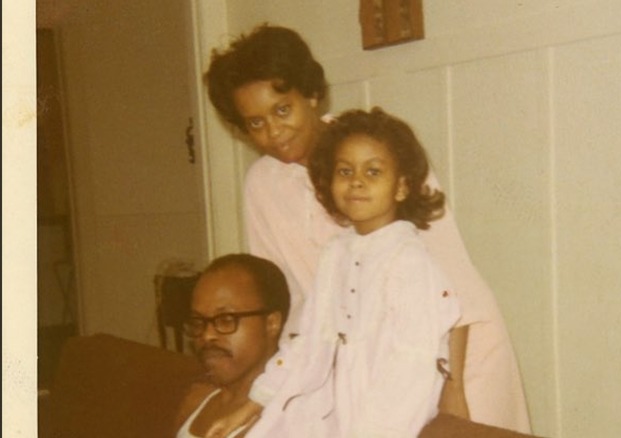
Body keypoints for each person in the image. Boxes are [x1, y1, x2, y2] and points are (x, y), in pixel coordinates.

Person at [205, 23, 531, 433]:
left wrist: (454, 385)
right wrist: (264, 394)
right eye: (254, 123)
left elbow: (452, 277)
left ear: (310, 94)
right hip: (360, 366)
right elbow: (286, 302)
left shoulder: (380, 154)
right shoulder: (262, 186)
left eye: (282, 110)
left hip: (454, 351)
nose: (273, 132)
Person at [174, 254, 291, 438]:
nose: (207, 335)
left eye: (226, 320)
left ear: (272, 323)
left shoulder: (287, 417)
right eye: (198, 321)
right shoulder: (196, 401)